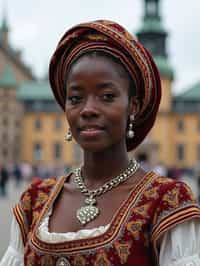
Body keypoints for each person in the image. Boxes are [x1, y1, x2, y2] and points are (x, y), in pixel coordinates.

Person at [1, 20, 200, 266]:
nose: (88, 109)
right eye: (75, 98)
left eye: (107, 96)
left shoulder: (167, 202)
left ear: (133, 106)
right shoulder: (34, 200)